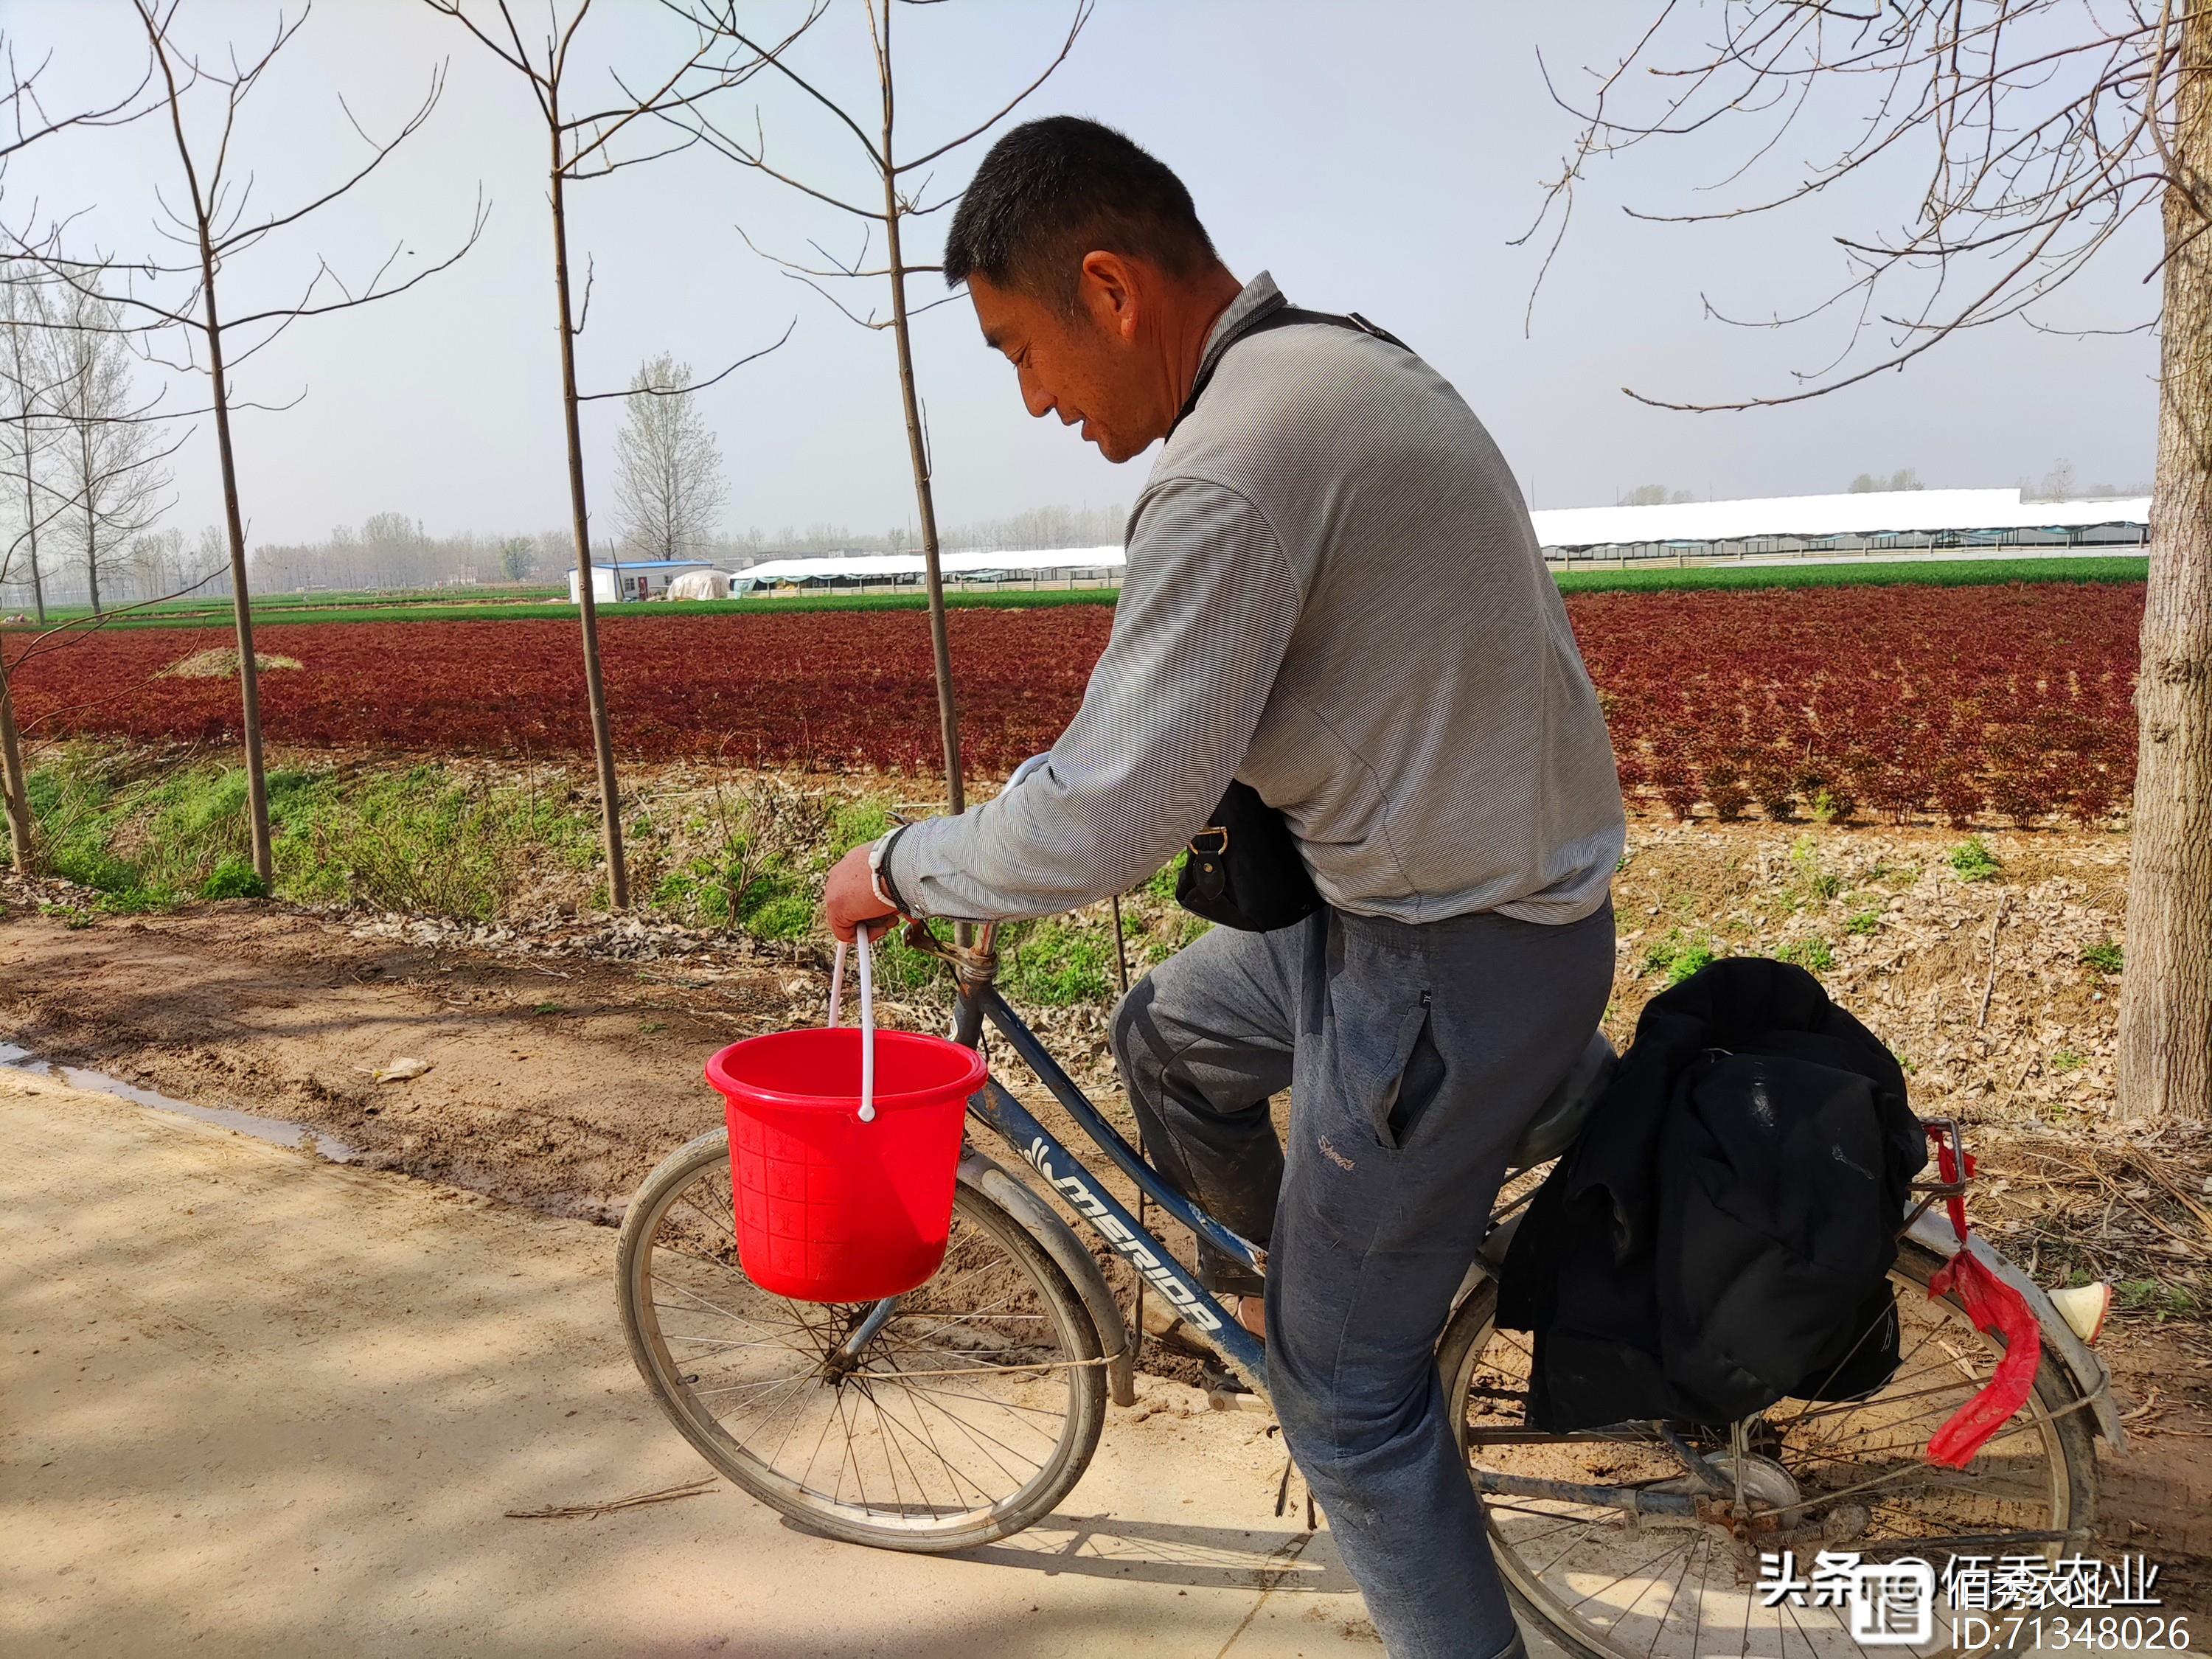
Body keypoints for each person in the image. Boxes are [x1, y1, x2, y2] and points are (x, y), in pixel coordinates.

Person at [824, 116, 1624, 1659]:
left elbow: (1102, 824)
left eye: (1021, 351)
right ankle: (1301, 1284)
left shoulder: (1232, 469)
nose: (1036, 401)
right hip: (1485, 910)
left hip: (1441, 959)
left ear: (1112, 291)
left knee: (1349, 1405)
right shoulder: (1332, 361)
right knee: (1169, 1040)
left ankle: (1348, 1345)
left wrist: (901, 866)